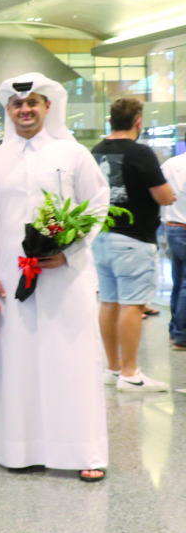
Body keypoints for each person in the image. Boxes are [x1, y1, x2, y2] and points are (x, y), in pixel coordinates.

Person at [0, 74, 109, 482]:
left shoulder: (73, 154)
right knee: (18, 362)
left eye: (32, 102)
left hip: (69, 279)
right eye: (17, 104)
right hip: (14, 283)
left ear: (48, 107)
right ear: (7, 111)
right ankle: (21, 449)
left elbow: (98, 205)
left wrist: (68, 252)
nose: (25, 110)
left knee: (74, 361)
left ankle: (84, 451)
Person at [92, 97, 174, 391]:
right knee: (132, 304)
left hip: (102, 237)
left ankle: (113, 368)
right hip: (133, 238)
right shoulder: (140, 153)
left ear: (110, 120)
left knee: (110, 301)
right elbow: (164, 196)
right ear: (138, 121)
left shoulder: (96, 151)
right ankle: (130, 372)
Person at [161, 148, 186, 351]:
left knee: (178, 282)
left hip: (172, 227)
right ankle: (182, 336)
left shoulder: (171, 164)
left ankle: (174, 331)